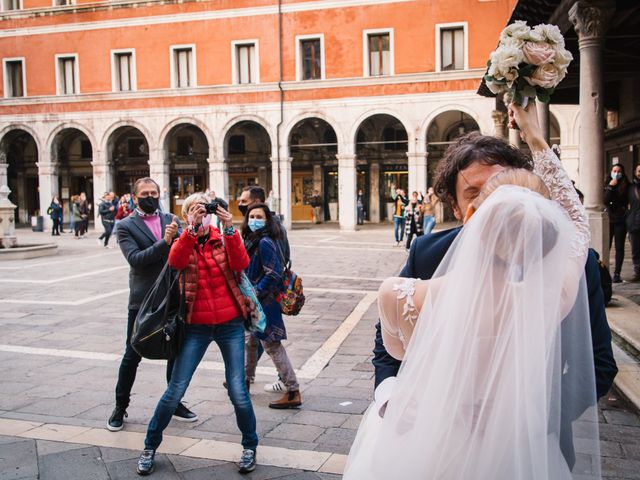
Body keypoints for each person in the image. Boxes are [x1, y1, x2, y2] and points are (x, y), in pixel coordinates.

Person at [370, 104, 617, 473]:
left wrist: (521, 420)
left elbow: (597, 367)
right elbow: (386, 353)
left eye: (501, 188)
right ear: (456, 206)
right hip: (433, 444)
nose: (497, 204)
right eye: (476, 192)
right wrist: (391, 396)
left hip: (529, 444)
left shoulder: (577, 265)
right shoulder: (427, 253)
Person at [136, 192, 258, 476]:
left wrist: (230, 229)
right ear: (186, 214)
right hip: (196, 326)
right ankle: (150, 446)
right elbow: (176, 262)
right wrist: (190, 229)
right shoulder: (184, 239)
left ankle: (250, 445)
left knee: (239, 391)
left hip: (229, 324)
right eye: (194, 209)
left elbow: (241, 265)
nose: (201, 213)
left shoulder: (222, 235)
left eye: (204, 209)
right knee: (175, 389)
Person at [108, 178, 197, 433]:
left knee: (176, 351)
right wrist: (165, 242)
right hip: (143, 301)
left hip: (172, 296)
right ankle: (119, 405)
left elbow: (184, 252)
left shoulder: (170, 218)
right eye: (145, 194)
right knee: (132, 353)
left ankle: (174, 401)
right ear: (134, 198)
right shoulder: (125, 226)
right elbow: (136, 260)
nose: (151, 196)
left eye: (154, 192)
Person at [242, 203, 302, 409]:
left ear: (267, 220)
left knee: (271, 345)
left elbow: (274, 273)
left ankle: (293, 389)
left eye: (259, 216)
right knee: (249, 341)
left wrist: (255, 292)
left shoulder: (265, 242)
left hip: (264, 304)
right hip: (255, 303)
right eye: (251, 216)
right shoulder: (253, 240)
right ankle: (245, 380)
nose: (254, 220)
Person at [238, 185, 292, 392]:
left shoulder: (269, 232)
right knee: (253, 340)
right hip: (259, 294)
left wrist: (257, 292)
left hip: (264, 296)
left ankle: (289, 383)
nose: (240, 205)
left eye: (244, 202)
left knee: (269, 341)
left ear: (257, 202)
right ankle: (244, 379)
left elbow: (277, 266)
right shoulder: (254, 232)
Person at [605, 163, 630, 283]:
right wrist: (610, 187)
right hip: (609, 219)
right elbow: (605, 200)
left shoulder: (626, 185)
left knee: (619, 247)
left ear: (622, 173)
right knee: (607, 246)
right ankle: (604, 272)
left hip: (620, 219)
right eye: (614, 171)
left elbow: (625, 201)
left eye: (618, 171)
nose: (616, 173)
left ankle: (617, 273)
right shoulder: (607, 183)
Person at [628, 164, 640, 282]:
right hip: (634, 223)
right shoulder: (631, 188)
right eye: (639, 171)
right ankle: (637, 272)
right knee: (635, 250)